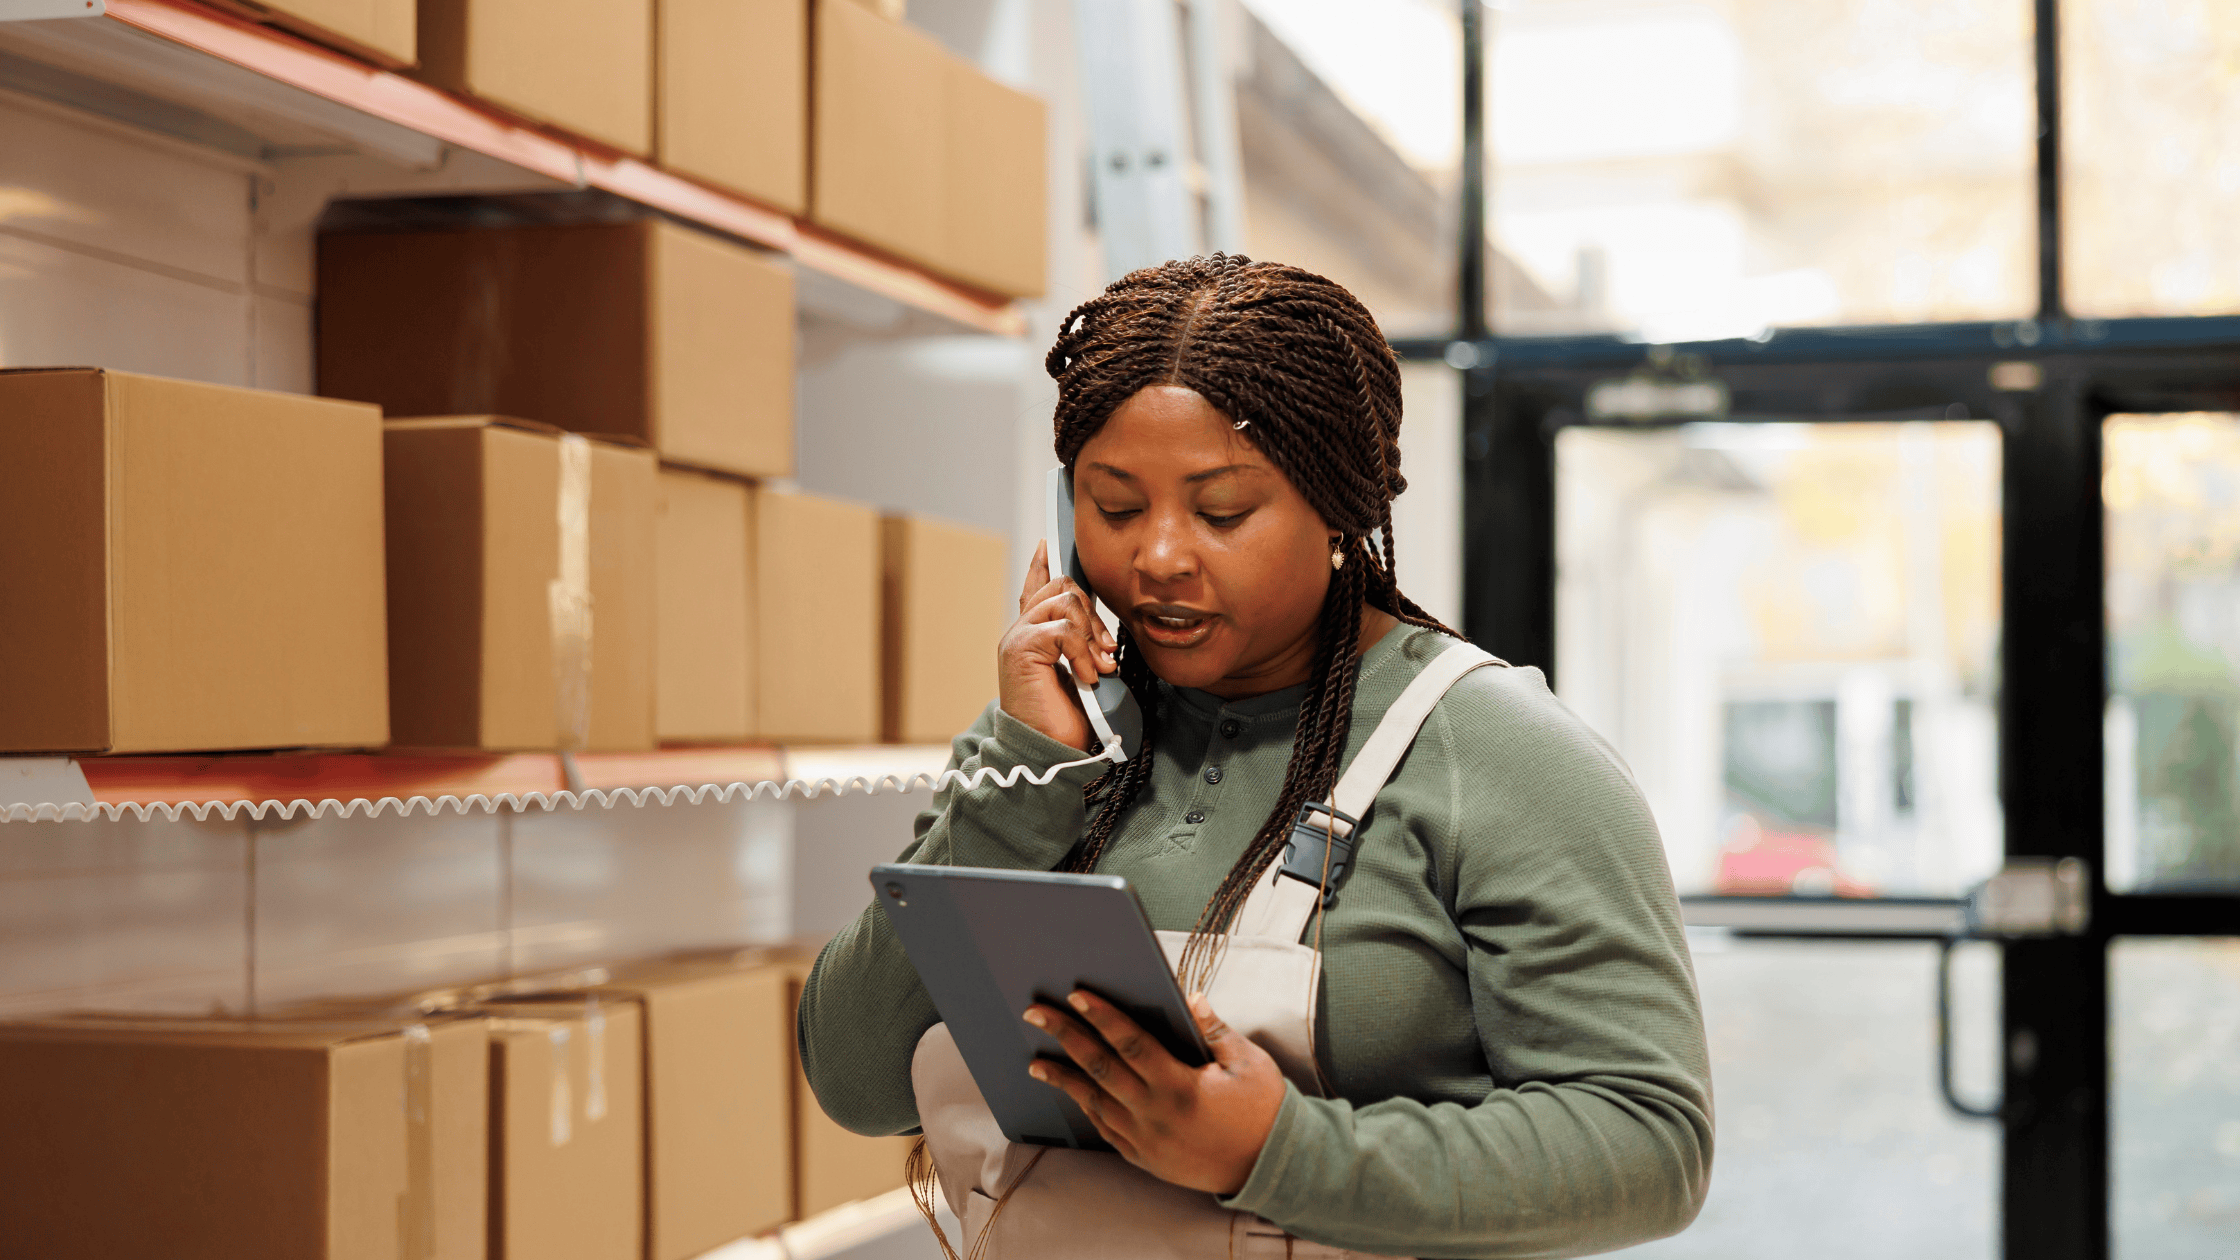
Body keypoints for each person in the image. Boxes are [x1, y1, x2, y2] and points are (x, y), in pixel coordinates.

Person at [799, 255, 1712, 1259]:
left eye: (1220, 511)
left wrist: (1276, 1150)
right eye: (1112, 506)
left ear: (1338, 510)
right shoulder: (1051, 737)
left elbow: (1648, 1145)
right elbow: (857, 1081)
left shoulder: (1496, 756)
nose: (1156, 558)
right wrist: (1019, 778)